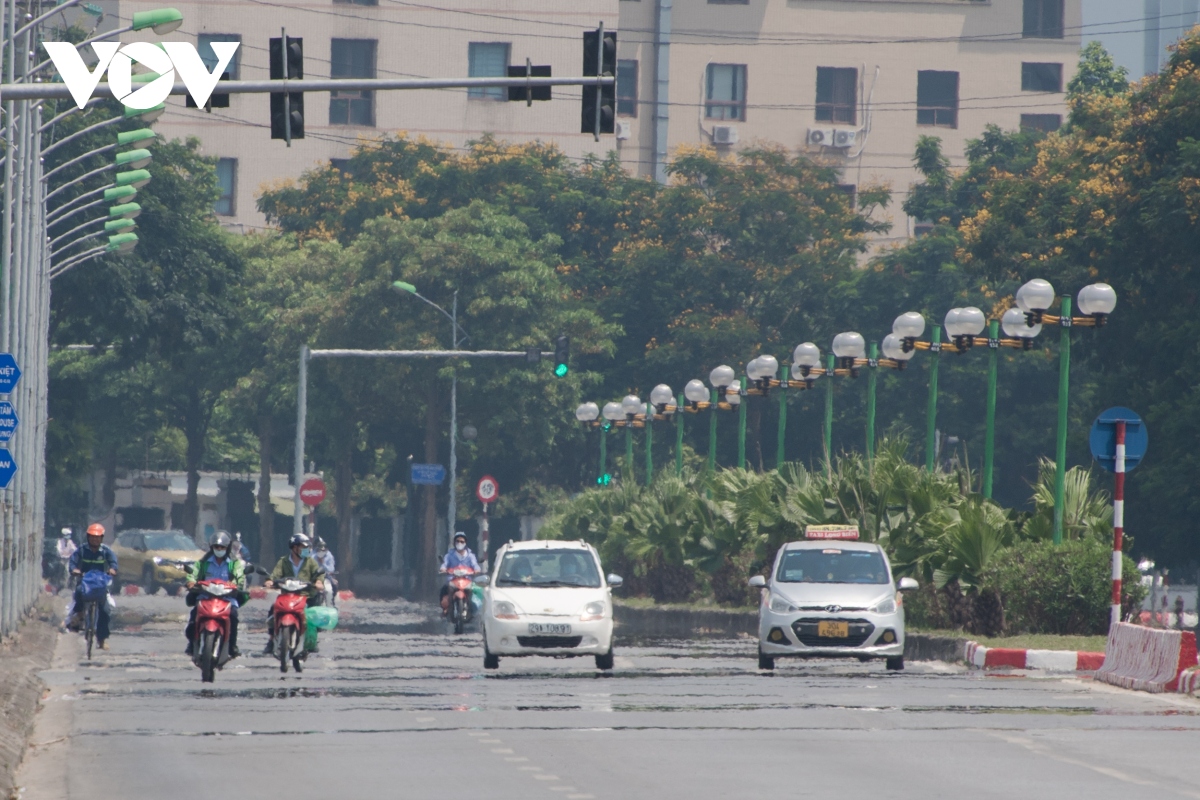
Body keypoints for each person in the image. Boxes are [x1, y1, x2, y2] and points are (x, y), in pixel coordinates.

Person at [183, 531, 246, 657]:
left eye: (222, 547)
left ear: (227, 548)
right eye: (217, 547)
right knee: (194, 615)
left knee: (233, 616)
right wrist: (191, 582)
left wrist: (235, 584)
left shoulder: (234, 563)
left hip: (227, 599)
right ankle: (192, 643)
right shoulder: (203, 562)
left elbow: (240, 577)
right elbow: (193, 573)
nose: (219, 550)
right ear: (212, 547)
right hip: (205, 597)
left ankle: (232, 646)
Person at [263, 533, 325, 654]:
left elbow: (319, 574)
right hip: (287, 596)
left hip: (306, 596)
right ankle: (271, 640)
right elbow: (275, 575)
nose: (306, 550)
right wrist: (270, 581)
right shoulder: (283, 561)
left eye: (307, 547)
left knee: (312, 616)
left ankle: (311, 640)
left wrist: (318, 582)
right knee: (273, 611)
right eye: (303, 547)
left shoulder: (311, 562)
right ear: (294, 548)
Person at [67, 523, 117, 650]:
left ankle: (102, 639)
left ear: (101, 538)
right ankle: (79, 615)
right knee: (78, 592)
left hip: (100, 585)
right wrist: (75, 570)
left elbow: (113, 563)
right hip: (85, 583)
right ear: (88, 537)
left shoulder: (106, 551)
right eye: (92, 537)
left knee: (105, 611)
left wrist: (112, 569)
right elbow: (73, 562)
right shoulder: (82, 550)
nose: (95, 539)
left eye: (98, 537)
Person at [439, 532, 480, 615]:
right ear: (454, 542)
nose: (459, 543)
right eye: (457, 541)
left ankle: (471, 609)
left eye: (462, 541)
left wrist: (477, 570)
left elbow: (475, 565)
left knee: (476, 591)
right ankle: (446, 608)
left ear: (465, 543)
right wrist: (443, 569)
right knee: (443, 590)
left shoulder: (470, 556)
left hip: (467, 580)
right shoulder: (449, 555)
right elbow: (445, 564)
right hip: (452, 580)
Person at [314, 537, 337, 604]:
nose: (321, 552)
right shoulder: (313, 556)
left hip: (326, 578)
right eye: (319, 550)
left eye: (323, 550)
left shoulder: (329, 556)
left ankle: (330, 605)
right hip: (314, 578)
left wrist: (322, 563)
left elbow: (331, 569)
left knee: (329, 590)